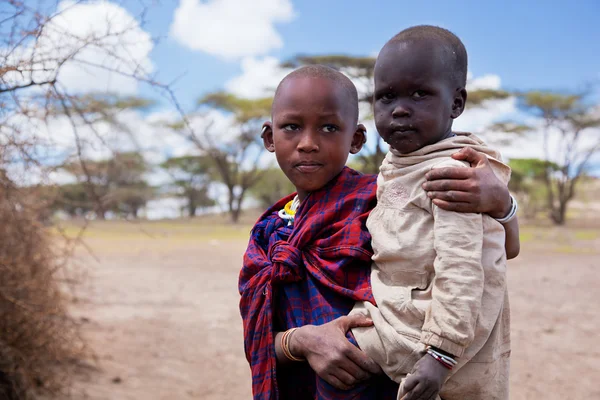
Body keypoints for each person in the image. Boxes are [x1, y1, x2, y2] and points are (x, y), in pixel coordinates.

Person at [239, 64, 519, 399]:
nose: (308, 143)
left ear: (355, 138)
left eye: (329, 127)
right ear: (270, 138)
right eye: (292, 127)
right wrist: (300, 341)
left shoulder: (384, 201)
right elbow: (258, 339)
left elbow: (497, 252)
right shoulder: (269, 233)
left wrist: (502, 203)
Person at [350, 25, 514, 400]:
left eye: (421, 94)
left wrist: (439, 355)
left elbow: (462, 269)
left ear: (456, 104)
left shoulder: (452, 173)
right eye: (386, 97)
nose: (401, 108)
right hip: (403, 319)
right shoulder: (398, 164)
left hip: (438, 341)